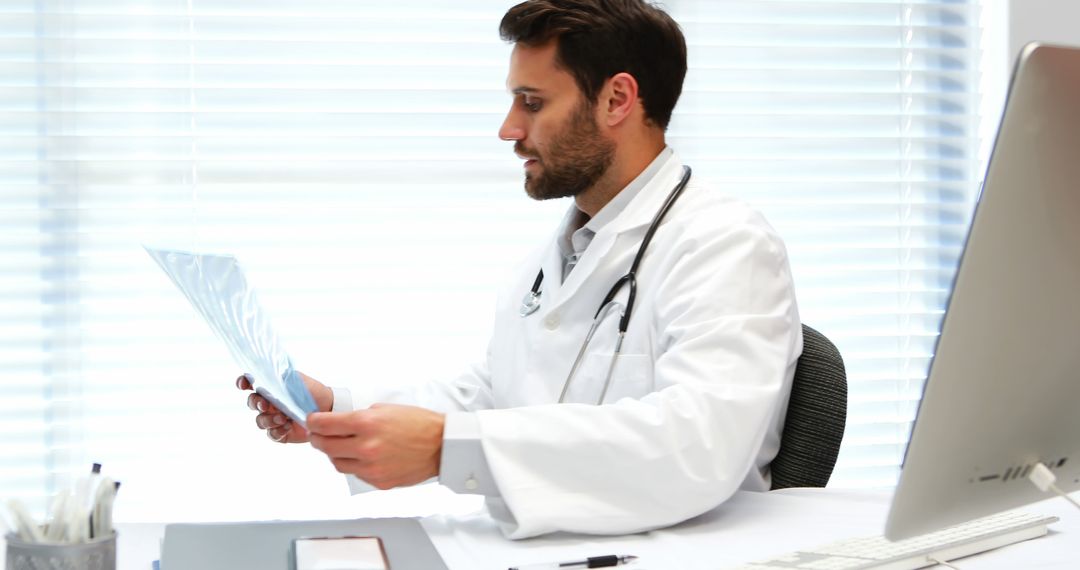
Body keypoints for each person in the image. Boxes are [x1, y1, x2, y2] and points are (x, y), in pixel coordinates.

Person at [239, 0, 802, 539]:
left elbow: (696, 445)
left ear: (617, 100)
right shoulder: (561, 252)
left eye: (531, 103)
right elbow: (497, 392)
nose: (508, 129)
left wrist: (449, 448)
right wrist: (338, 408)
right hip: (555, 543)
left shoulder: (726, 245)